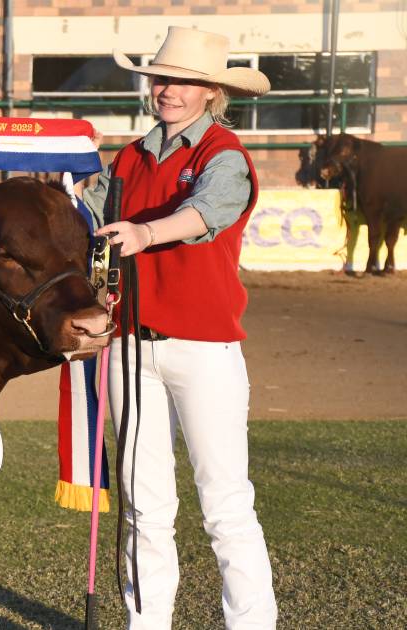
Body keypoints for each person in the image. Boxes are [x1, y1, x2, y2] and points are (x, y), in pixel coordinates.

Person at [79, 26, 278, 629]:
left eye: (184, 82)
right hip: (131, 349)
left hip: (205, 350)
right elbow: (84, 206)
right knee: (144, 507)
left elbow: (208, 212)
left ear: (211, 92)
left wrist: (144, 232)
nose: (168, 90)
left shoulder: (223, 155)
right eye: (161, 79)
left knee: (225, 507)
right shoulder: (131, 157)